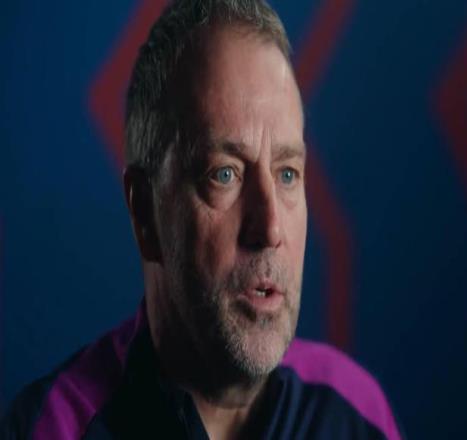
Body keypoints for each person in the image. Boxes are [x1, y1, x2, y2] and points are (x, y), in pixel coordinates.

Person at [1, 1, 403, 438]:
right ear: (145, 212)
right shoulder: (50, 428)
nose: (270, 229)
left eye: (287, 173)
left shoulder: (355, 414)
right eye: (224, 174)